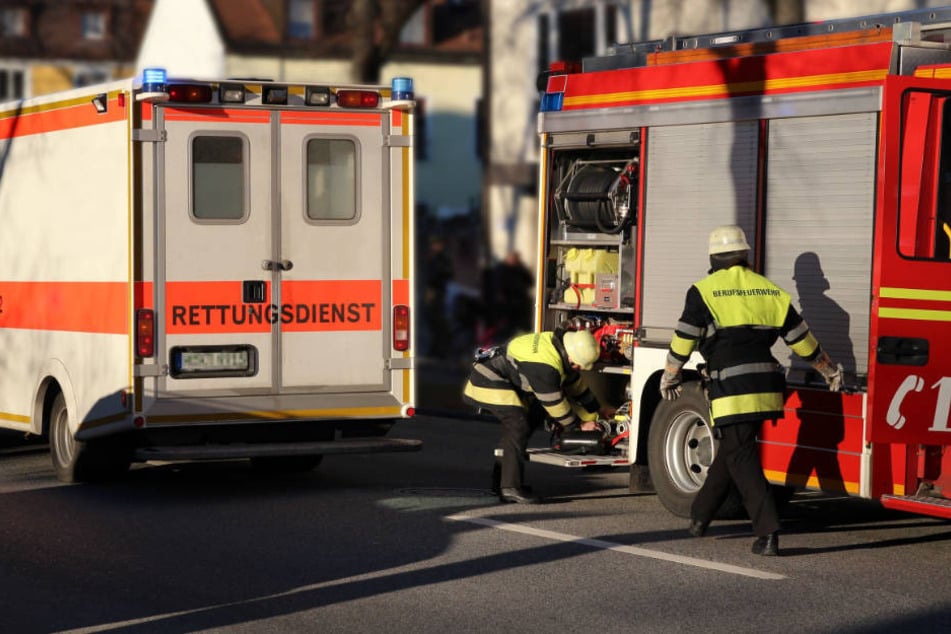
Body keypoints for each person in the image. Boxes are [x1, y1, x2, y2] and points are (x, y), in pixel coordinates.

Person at [661, 225, 842, 556]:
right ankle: (699, 517)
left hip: (731, 388)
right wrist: (829, 370)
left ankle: (768, 530)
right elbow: (801, 340)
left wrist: (670, 375)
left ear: (714, 258)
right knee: (734, 447)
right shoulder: (770, 291)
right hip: (767, 386)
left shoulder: (703, 291)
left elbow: (685, 337)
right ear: (745, 255)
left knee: (741, 455)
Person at [462, 328, 612, 504]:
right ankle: (510, 488)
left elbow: (575, 385)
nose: (578, 368)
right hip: (487, 380)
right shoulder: (545, 366)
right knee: (518, 425)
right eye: (577, 364)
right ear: (570, 355)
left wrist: (598, 409)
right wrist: (578, 425)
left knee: (525, 423)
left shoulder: (560, 348)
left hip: (502, 379)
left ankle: (501, 484)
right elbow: (555, 404)